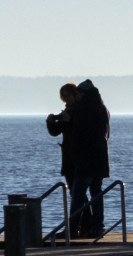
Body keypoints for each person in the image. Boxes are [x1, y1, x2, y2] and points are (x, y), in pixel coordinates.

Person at [66, 79, 110, 238]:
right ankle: (98, 227)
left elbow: (79, 135)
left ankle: (72, 229)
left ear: (83, 94)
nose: (76, 95)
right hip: (100, 159)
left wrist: (74, 152)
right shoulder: (101, 108)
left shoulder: (82, 109)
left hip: (85, 160)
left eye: (78, 93)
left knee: (77, 195)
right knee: (96, 195)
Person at [44, 83, 80, 231]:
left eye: (68, 96)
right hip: (68, 157)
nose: (66, 100)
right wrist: (51, 122)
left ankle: (80, 225)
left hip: (76, 157)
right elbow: (56, 131)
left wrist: (65, 121)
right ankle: (80, 225)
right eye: (63, 97)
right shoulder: (68, 112)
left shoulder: (79, 112)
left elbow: (73, 129)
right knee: (74, 192)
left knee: (78, 193)